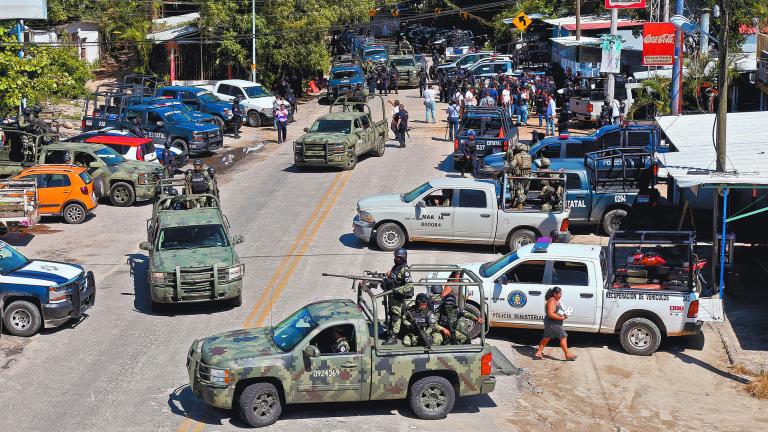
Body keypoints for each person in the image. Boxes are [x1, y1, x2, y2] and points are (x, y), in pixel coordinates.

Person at [381, 248, 414, 345]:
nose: (395, 259)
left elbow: (409, 286)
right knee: (391, 314)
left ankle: (393, 337)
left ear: (403, 258)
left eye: (397, 257)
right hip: (392, 296)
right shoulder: (396, 267)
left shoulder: (405, 270)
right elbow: (395, 278)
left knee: (396, 316)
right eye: (395, 257)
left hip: (397, 297)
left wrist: (396, 290)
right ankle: (390, 332)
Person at [534, 286, 577, 361]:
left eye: (561, 294)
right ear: (555, 294)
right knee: (563, 336)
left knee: (546, 337)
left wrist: (565, 314)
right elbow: (550, 314)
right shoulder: (552, 301)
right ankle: (567, 355)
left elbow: (557, 312)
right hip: (553, 324)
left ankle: (538, 353)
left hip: (552, 323)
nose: (561, 295)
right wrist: (561, 318)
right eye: (559, 294)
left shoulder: (556, 301)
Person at [505, 142, 532, 209]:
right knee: (525, 190)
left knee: (519, 191)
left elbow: (512, 165)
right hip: (528, 176)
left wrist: (507, 168)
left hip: (520, 177)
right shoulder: (529, 156)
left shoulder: (517, 156)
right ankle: (521, 203)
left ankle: (519, 207)